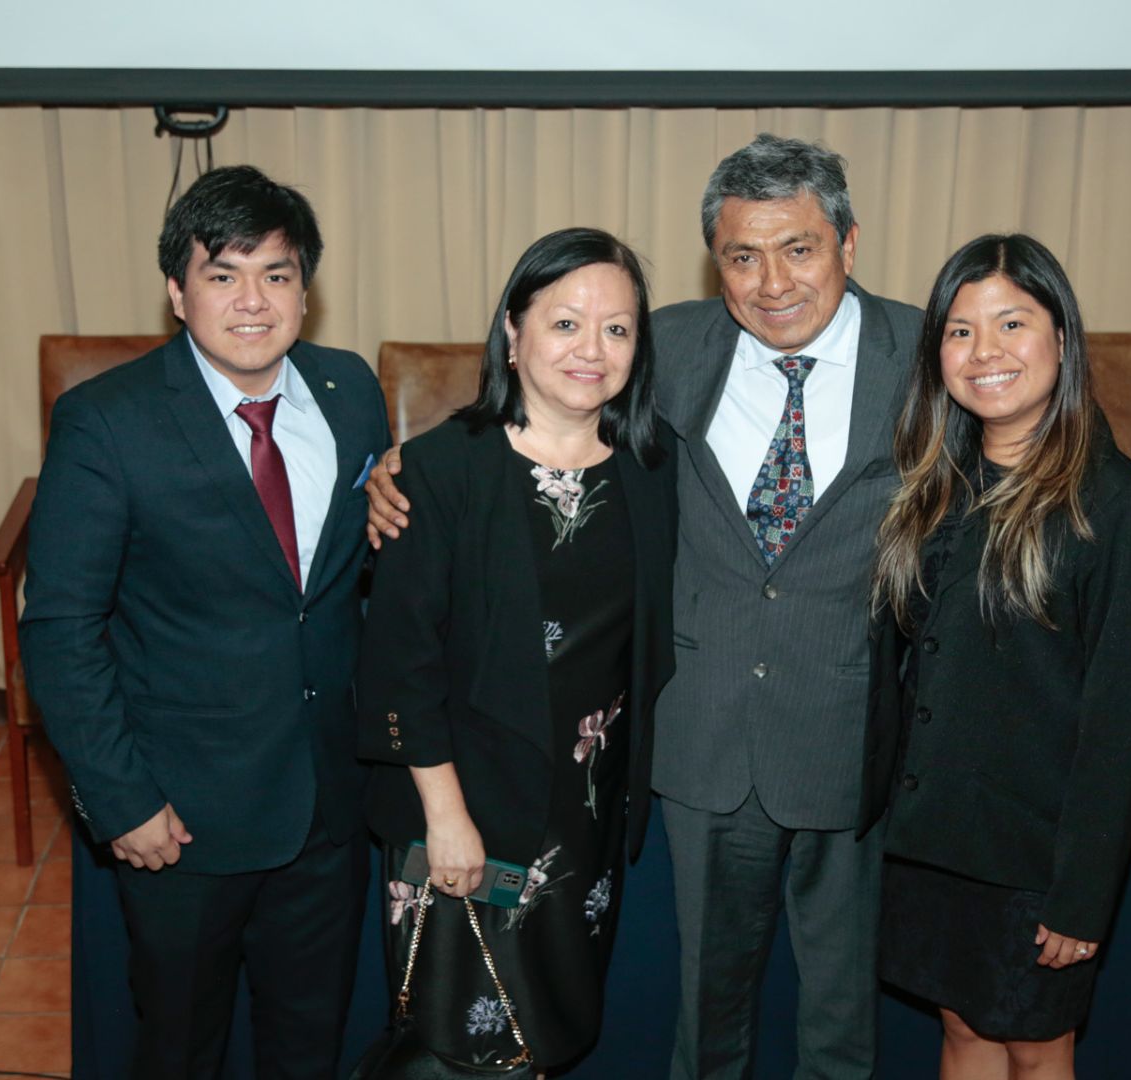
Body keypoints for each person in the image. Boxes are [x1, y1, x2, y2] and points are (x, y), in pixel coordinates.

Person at [369, 135, 920, 1078]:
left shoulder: (927, 355)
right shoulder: (675, 344)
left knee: (842, 1018)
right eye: (742, 256)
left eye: (799, 248)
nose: (773, 282)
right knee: (704, 1013)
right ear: (716, 261)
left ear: (849, 242)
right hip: (698, 738)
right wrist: (391, 476)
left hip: (844, 731)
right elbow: (533, 402)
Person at [19, 165, 390, 1079]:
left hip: (327, 803)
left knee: (311, 1046)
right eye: (223, 275)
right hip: (181, 819)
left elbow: (350, 578)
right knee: (180, 1050)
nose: (253, 301)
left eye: (277, 274)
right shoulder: (107, 421)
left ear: (306, 289)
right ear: (177, 293)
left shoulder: (349, 391)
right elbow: (61, 627)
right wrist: (121, 801)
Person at [356, 226, 678, 1072]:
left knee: (545, 1036)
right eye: (565, 323)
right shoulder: (438, 470)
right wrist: (445, 819)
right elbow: (400, 665)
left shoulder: (652, 471)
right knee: (458, 1045)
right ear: (513, 330)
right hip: (465, 810)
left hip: (585, 819)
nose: (591, 349)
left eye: (616, 329)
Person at [864, 234, 1131, 1079]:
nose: (986, 352)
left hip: (1033, 856)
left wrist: (1082, 896)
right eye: (960, 331)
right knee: (962, 1029)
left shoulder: (1122, 508)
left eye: (1012, 323)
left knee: (1037, 1051)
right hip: (932, 837)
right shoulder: (935, 485)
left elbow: (1119, 727)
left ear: (1062, 340)